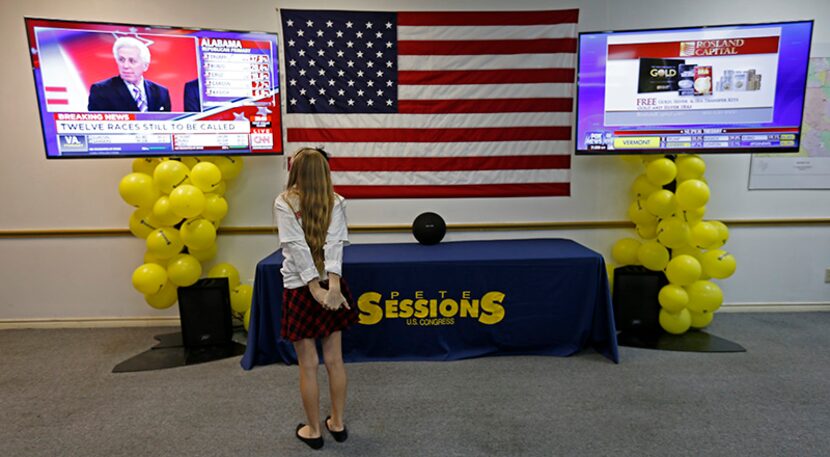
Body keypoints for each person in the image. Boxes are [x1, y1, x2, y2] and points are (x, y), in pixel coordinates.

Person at [273, 148, 358, 450]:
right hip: (320, 287)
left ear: (296, 171)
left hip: (300, 289)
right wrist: (329, 285)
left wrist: (320, 288)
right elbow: (334, 244)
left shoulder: (284, 201)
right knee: (335, 360)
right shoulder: (336, 201)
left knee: (308, 365)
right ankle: (337, 423)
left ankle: (314, 430)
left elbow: (297, 247)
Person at [88, 37, 171, 112]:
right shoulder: (101, 91)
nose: (125, 66)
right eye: (121, 60)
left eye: (132, 61)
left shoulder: (161, 92)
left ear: (145, 65)